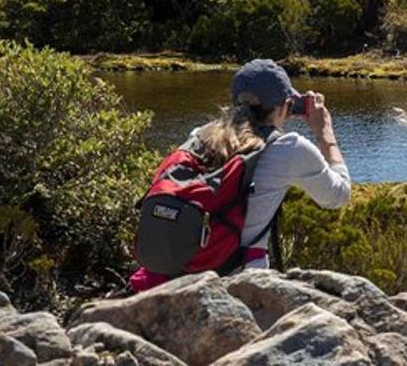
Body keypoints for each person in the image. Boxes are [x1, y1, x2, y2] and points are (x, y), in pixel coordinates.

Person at [130, 59, 350, 291]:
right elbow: (338, 196)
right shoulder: (291, 148)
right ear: (285, 106)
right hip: (239, 282)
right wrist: (325, 133)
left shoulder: (200, 135)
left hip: (171, 272)